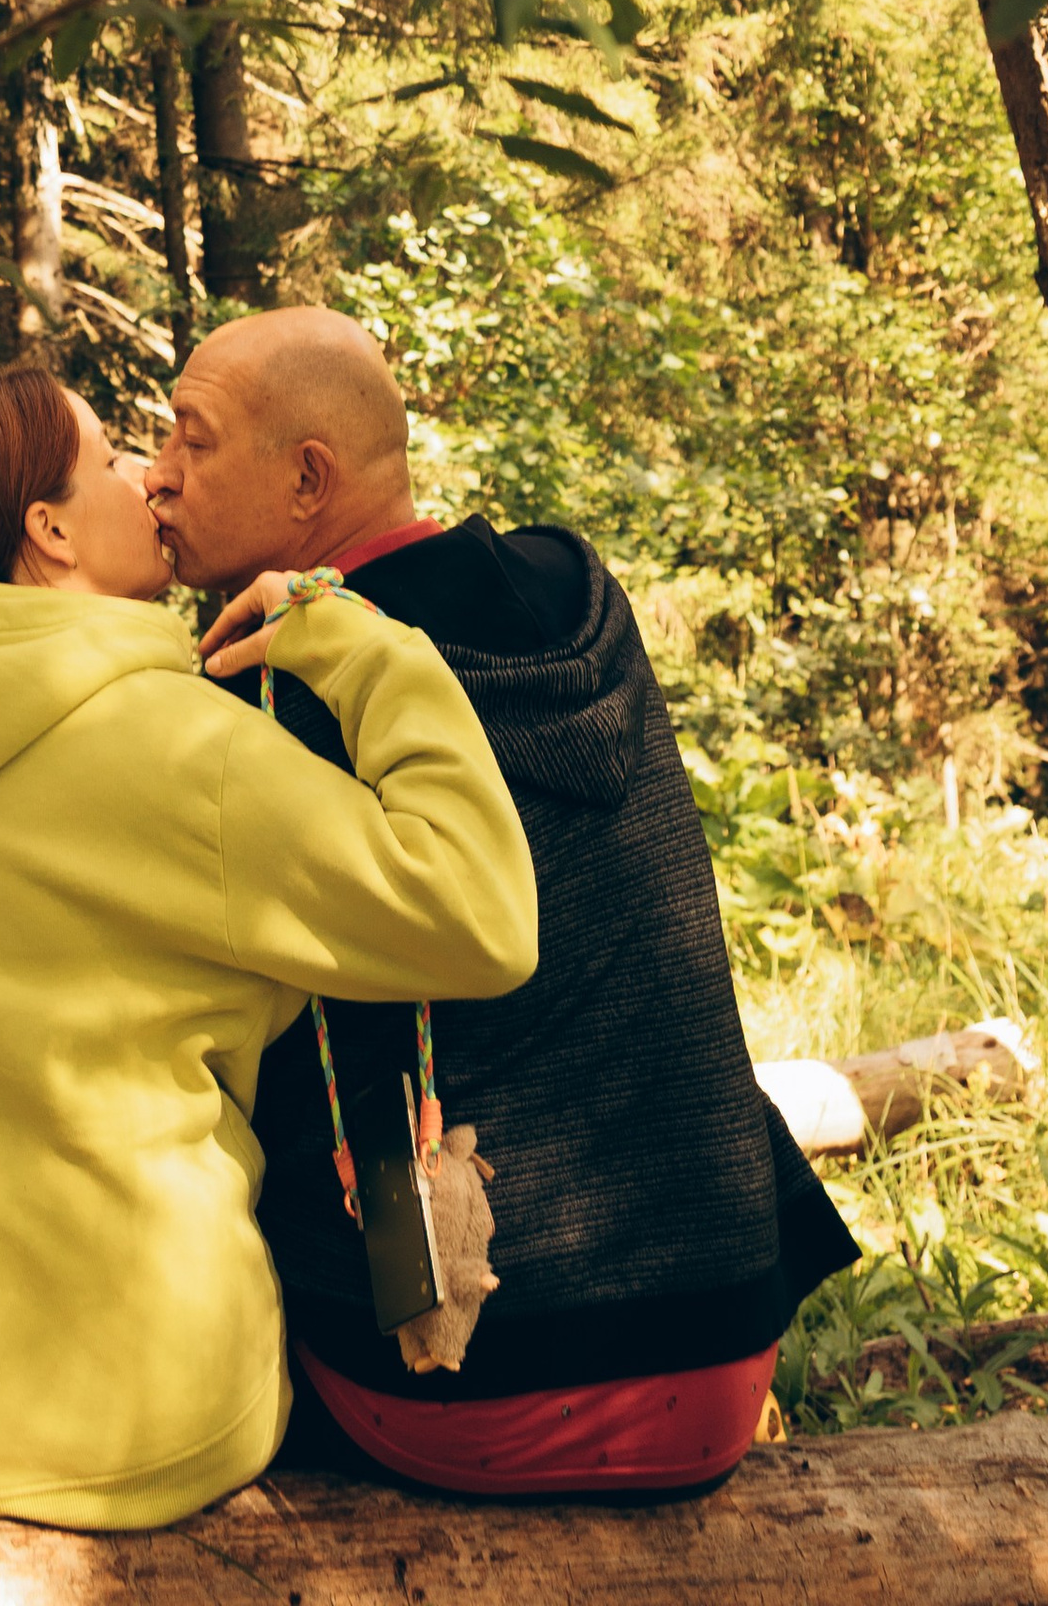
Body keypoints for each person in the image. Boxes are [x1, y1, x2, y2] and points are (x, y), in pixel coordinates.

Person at [0, 358, 538, 1529]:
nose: (147, 478)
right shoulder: (177, 744)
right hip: (128, 1424)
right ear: (50, 529)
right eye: (111, 454)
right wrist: (365, 647)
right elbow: (478, 915)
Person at [143, 305, 857, 1501]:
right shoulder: (579, 596)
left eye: (190, 441)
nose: (156, 476)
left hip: (473, 1381)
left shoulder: (275, 695)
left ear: (307, 479)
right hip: (728, 1336)